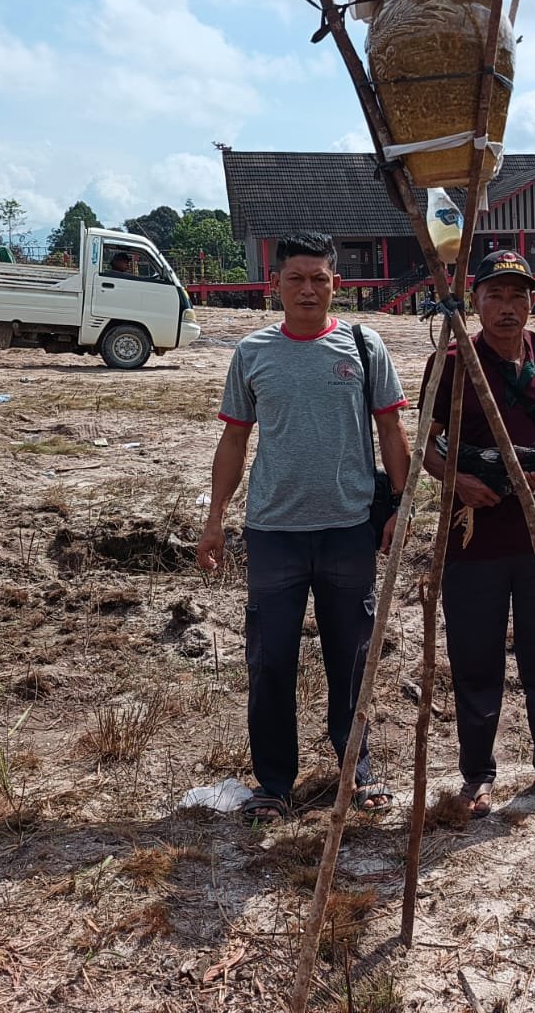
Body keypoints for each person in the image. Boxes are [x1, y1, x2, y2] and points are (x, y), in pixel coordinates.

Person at [195, 232, 412, 824]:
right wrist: (215, 521)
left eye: (319, 278)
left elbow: (391, 430)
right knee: (270, 661)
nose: (308, 289)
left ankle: (356, 771)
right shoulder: (252, 352)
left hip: (349, 528)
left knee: (353, 658)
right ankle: (273, 784)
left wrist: (401, 505)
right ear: (276, 285)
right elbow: (234, 439)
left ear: (336, 283)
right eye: (296, 278)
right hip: (273, 532)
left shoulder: (364, 346)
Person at [420, 249, 535, 818]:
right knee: (475, 661)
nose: (506, 307)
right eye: (494, 295)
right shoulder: (452, 362)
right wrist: (460, 481)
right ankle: (477, 776)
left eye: (517, 296)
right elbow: (426, 445)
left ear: (531, 303)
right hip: (473, 539)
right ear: (474, 302)